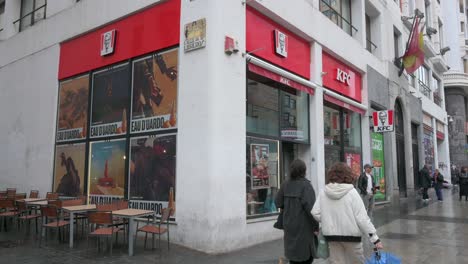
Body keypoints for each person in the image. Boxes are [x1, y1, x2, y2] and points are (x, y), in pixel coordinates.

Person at [312, 162, 383, 264]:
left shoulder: (324, 192)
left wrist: (328, 219)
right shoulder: (352, 193)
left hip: (332, 237)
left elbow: (315, 212)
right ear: (348, 175)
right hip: (352, 238)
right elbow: (362, 219)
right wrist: (375, 239)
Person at [275, 159, 318, 264]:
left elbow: (278, 202)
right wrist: (316, 226)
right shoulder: (306, 186)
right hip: (304, 226)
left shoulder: (285, 184)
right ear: (304, 170)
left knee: (292, 256)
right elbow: (311, 210)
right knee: (305, 256)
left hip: (289, 224)